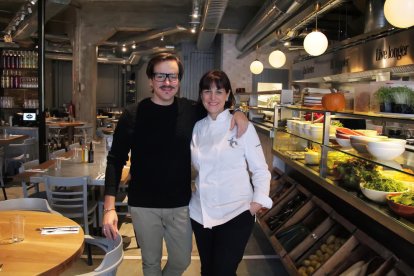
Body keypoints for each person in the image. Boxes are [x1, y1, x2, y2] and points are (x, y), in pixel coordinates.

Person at [102, 53, 249, 276]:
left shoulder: (191, 110)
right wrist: (109, 208)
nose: (167, 82)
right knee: (150, 264)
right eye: (161, 76)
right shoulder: (132, 114)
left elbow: (216, 106)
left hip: (180, 204)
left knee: (181, 260)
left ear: (179, 80)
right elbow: (115, 160)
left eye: (173, 76)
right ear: (151, 80)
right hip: (143, 205)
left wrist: (237, 113)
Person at [190, 70, 272, 276]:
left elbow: (260, 169)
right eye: (207, 91)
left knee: (223, 272)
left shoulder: (241, 125)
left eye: (219, 91)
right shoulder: (197, 127)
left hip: (236, 213)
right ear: (201, 96)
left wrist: (255, 204)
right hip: (201, 213)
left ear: (228, 95)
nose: (212, 97)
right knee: (207, 271)